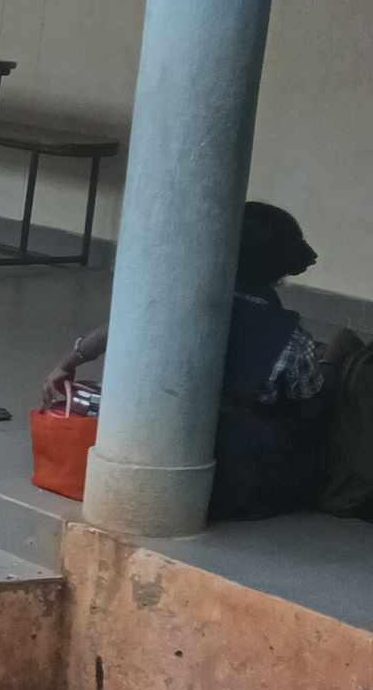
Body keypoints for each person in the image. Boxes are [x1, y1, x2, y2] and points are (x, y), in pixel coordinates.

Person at [44, 200, 331, 523]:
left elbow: (121, 326)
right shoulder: (292, 337)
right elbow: (309, 400)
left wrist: (70, 361)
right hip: (236, 482)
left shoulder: (174, 305)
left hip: (150, 453)